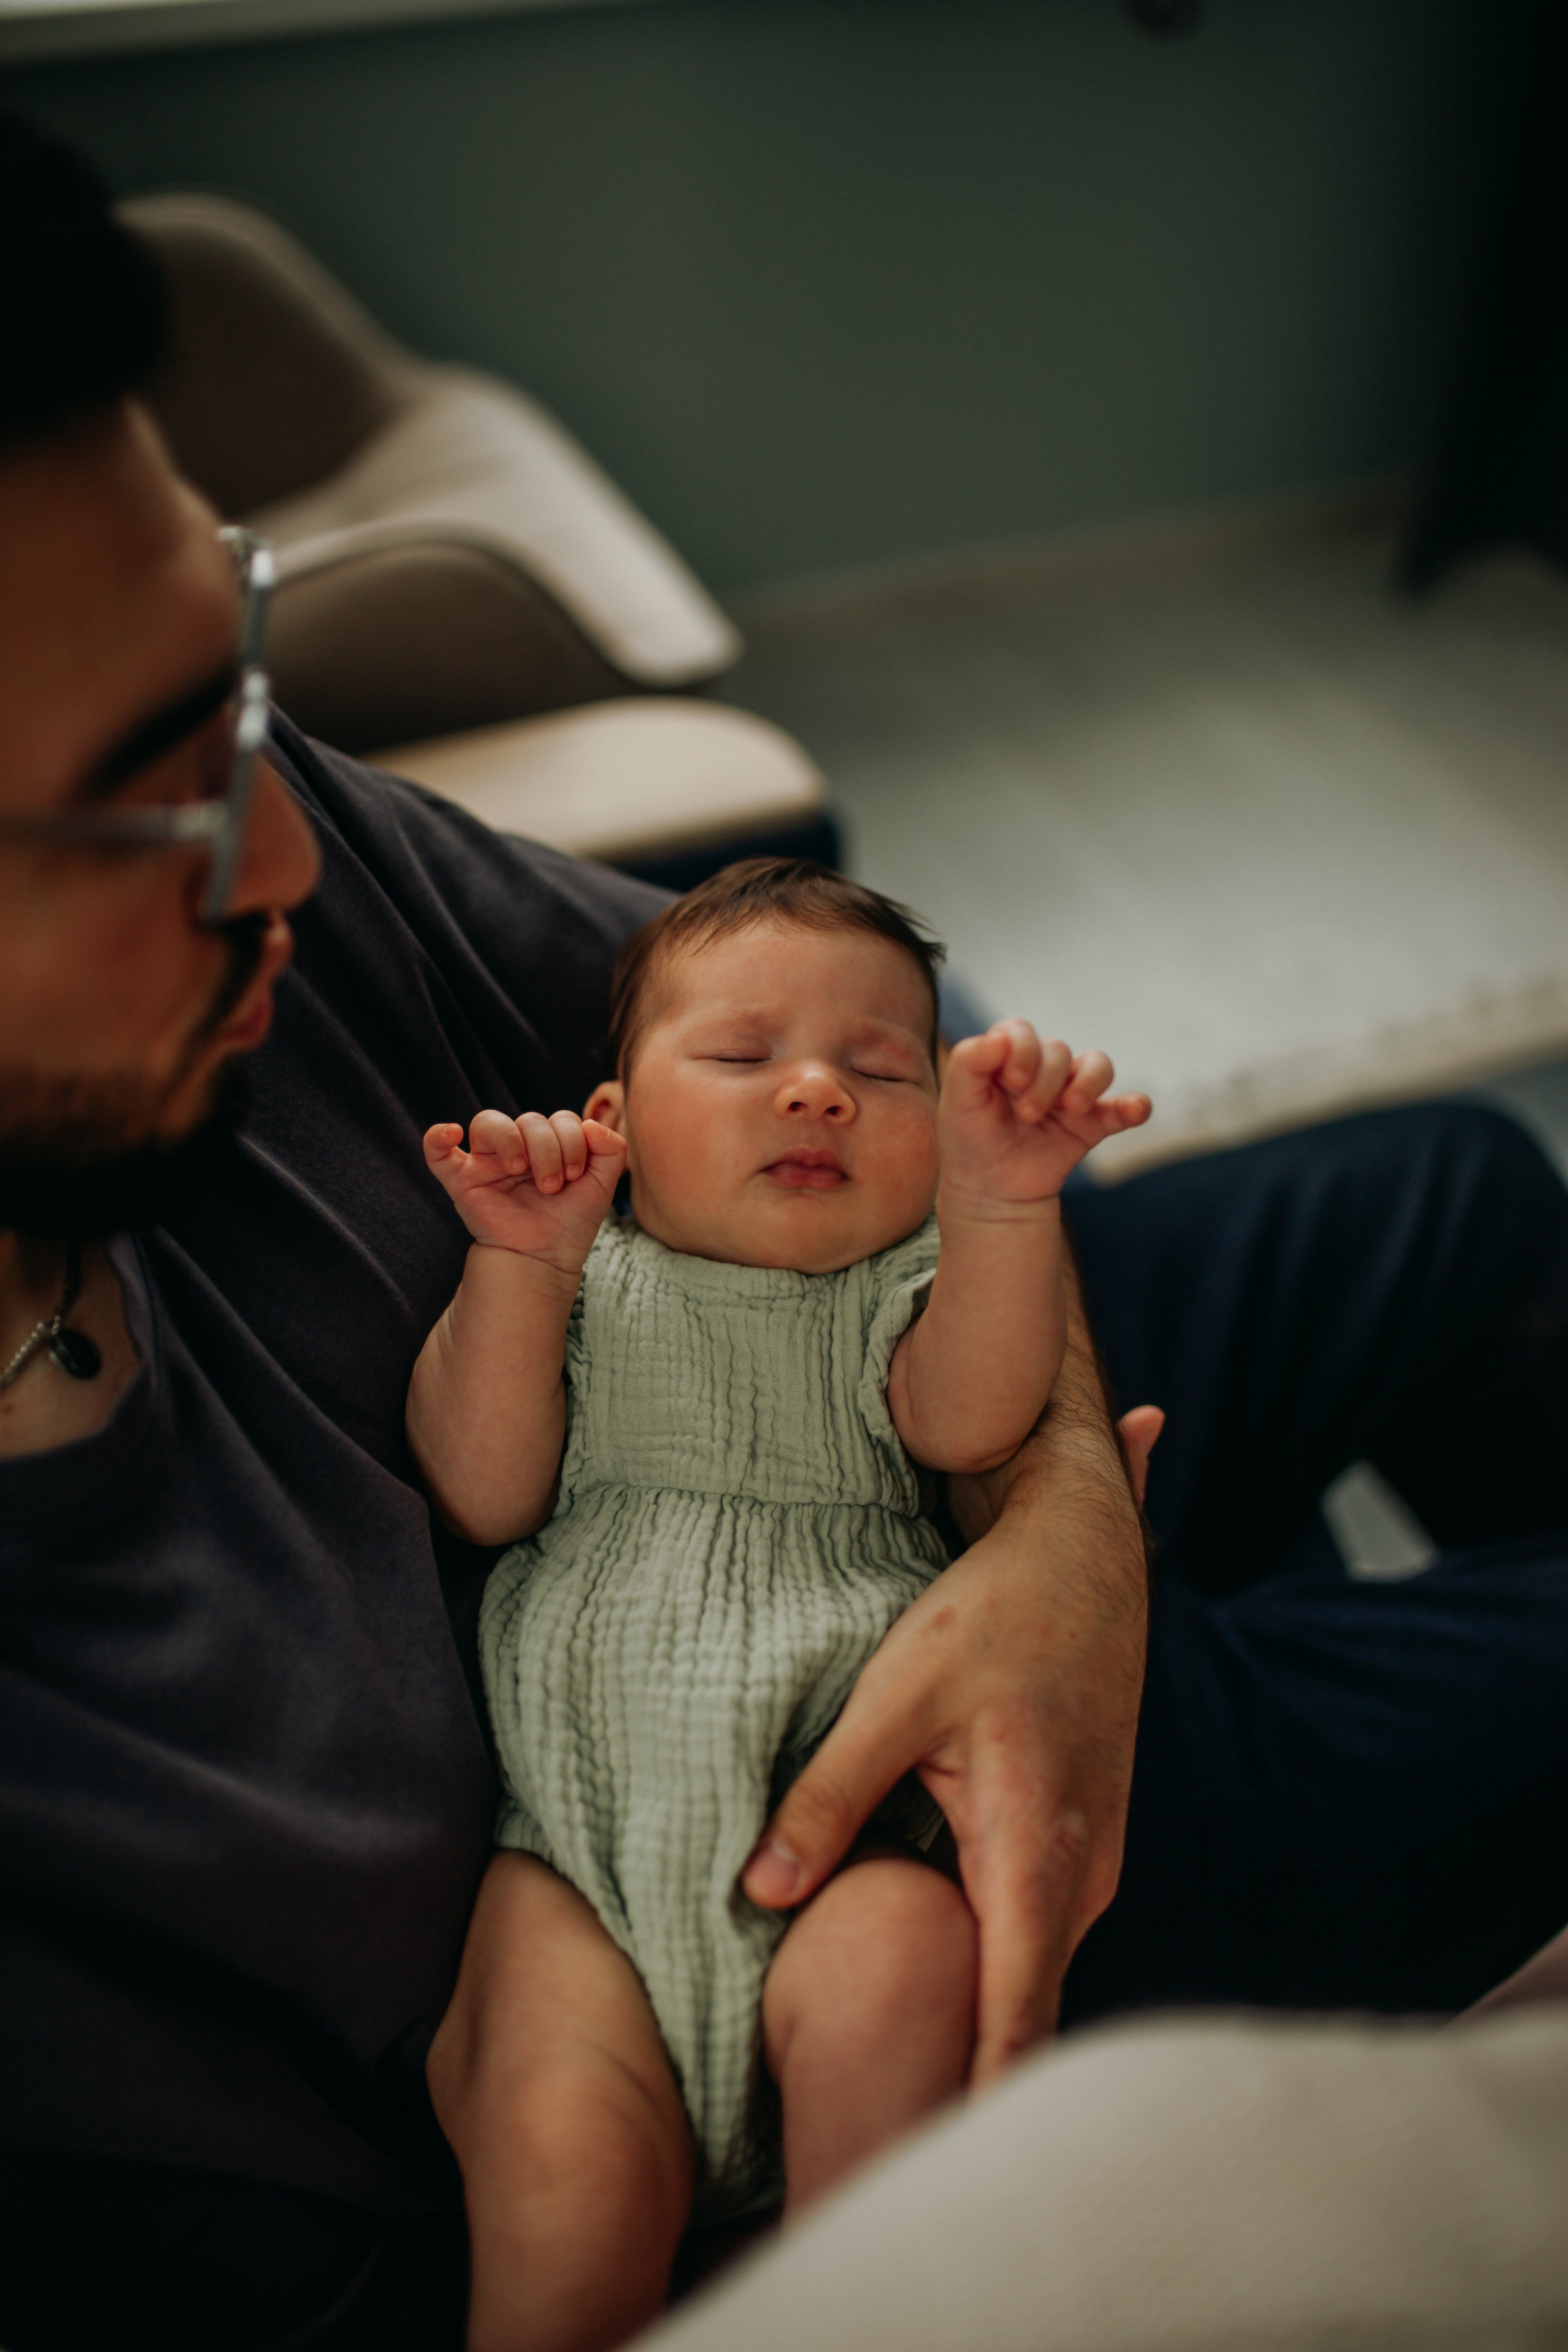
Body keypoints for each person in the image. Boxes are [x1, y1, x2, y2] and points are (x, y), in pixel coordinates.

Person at [1, 108, 1567, 2352]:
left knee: (1470, 1189)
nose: (281, 866)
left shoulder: (275, 868)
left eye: (231, 699)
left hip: (910, 1451)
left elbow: (783, 1033)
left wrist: (1064, 1540)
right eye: (137, 808)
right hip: (880, 1932)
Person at [407, 862, 1148, 2350]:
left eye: (879, 1072)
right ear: (613, 1121)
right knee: (564, 2177)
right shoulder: (581, 1277)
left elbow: (972, 1419)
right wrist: (515, 1263)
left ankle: (856, 2301)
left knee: (904, 1959)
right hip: (575, 1863)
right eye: (744, 1055)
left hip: (846, 1860)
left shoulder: (907, 1287)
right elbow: (481, 1492)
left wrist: (1000, 1205)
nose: (815, 1092)